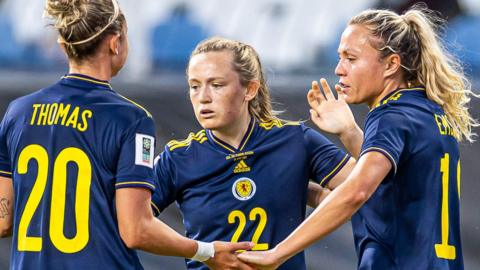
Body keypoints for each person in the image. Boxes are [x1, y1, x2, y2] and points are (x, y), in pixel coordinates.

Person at [0, 1, 251, 269]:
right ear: (115, 42)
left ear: (64, 47)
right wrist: (207, 251)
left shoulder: (18, 113)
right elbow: (136, 230)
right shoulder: (129, 119)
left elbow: (3, 221)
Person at [238, 5, 477, 270]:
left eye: (351, 58)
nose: (340, 69)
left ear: (391, 64)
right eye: (340, 57)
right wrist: (350, 133)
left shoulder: (389, 115)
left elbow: (357, 192)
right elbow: (393, 186)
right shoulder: (428, 111)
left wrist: (277, 254)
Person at [150, 37, 356, 270]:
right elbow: (134, 224)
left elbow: (362, 190)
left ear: (250, 89)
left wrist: (349, 132)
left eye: (216, 85)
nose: (203, 97)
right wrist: (200, 251)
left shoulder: (295, 139)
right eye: (194, 86)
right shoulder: (177, 158)